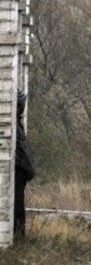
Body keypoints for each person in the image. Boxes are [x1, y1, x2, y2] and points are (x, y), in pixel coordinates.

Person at [13, 91, 35, 239]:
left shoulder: (15, 122)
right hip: (20, 169)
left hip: (20, 170)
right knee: (16, 206)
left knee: (18, 205)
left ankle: (19, 236)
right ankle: (18, 235)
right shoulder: (14, 123)